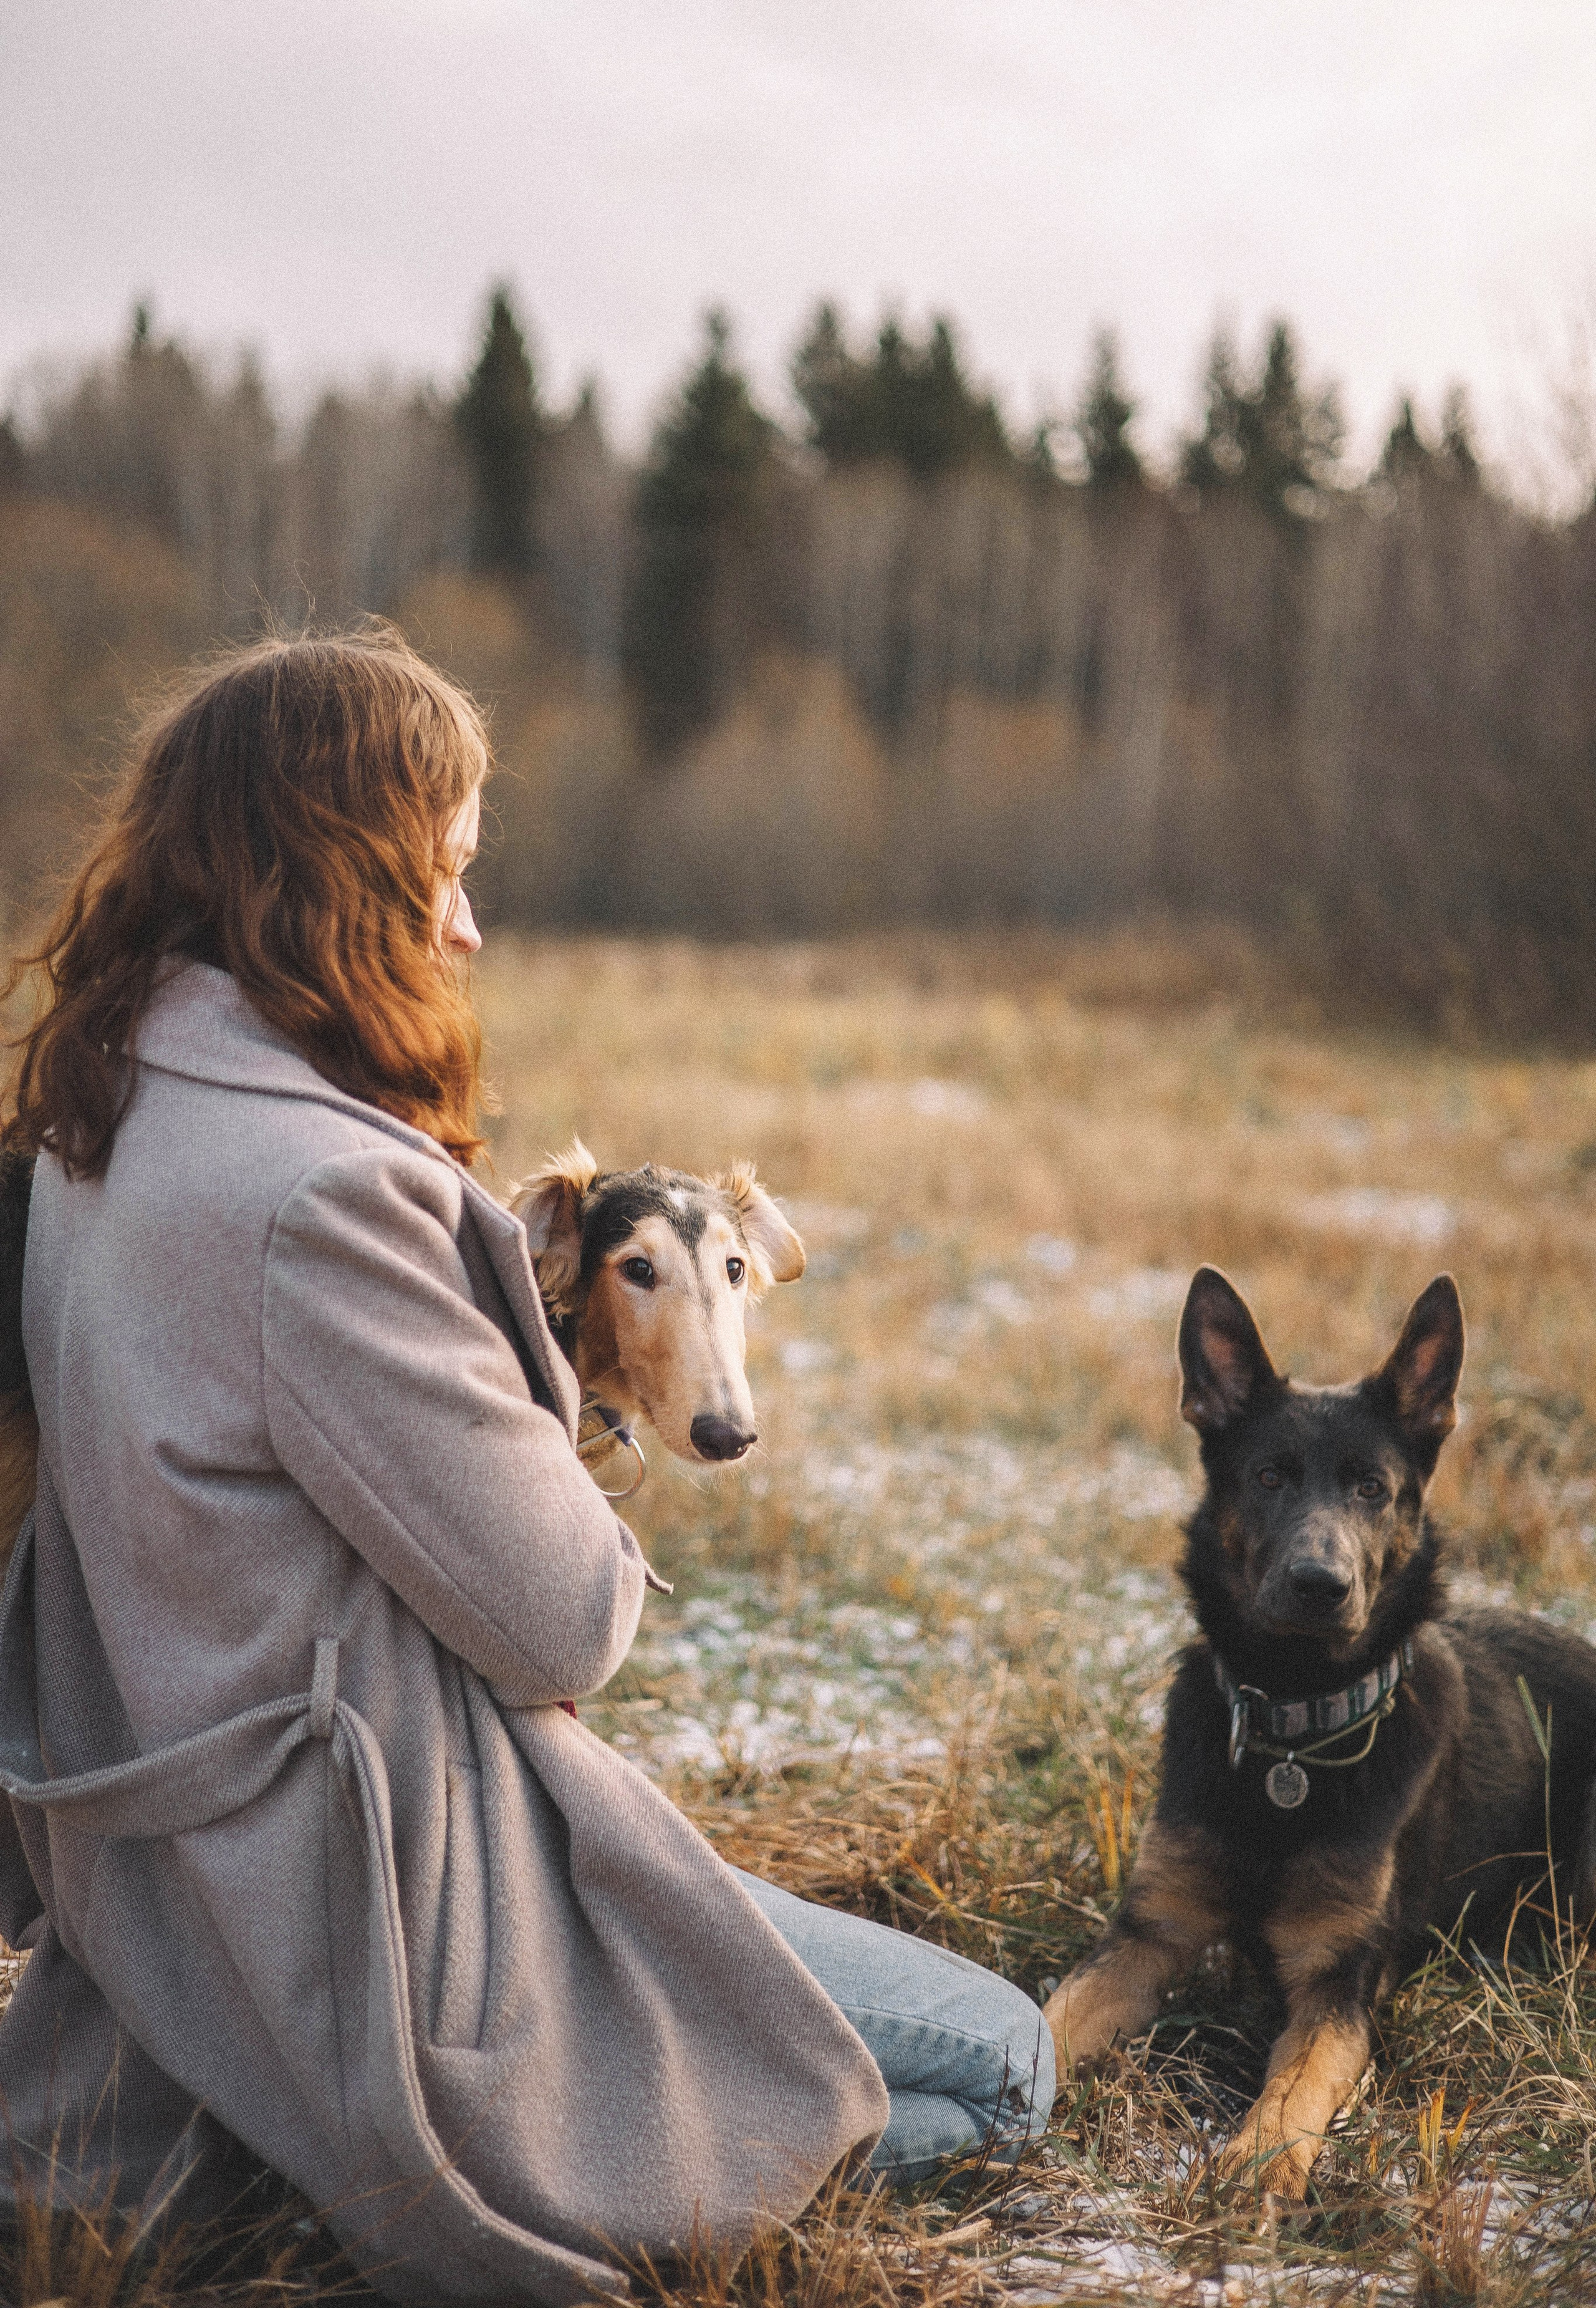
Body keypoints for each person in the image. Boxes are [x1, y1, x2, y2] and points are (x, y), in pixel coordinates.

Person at [0, 631, 1054, 2304]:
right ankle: (345, 2192)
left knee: (800, 2012)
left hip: (178, 1893)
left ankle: (308, 2152)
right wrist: (540, 1367)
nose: (469, 927)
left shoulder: (101, 1123)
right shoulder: (326, 1194)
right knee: (998, 2064)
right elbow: (564, 1625)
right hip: (382, 1930)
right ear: (328, 872)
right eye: (448, 872)